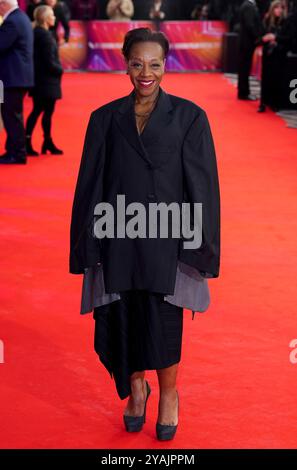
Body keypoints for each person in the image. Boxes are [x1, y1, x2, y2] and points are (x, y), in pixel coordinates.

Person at [69, 27, 220, 441]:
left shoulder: (190, 118)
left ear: (166, 65)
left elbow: (202, 187)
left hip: (166, 239)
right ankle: (136, 389)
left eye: (154, 64)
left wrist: (200, 246)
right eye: (137, 63)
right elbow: (90, 185)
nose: (145, 72)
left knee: (164, 321)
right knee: (121, 318)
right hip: (117, 235)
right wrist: (86, 245)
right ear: (126, 63)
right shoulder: (103, 119)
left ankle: (169, 394)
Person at [25, 5, 63, 155]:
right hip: (47, 81)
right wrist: (60, 70)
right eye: (52, 15)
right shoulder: (46, 36)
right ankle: (36, 142)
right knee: (42, 111)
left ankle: (45, 141)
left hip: (41, 80)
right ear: (46, 19)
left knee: (41, 111)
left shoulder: (37, 33)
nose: (54, 17)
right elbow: (49, 61)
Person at [0, 0, 34, 165]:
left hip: (11, 78)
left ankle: (17, 154)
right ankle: (13, 150)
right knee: (12, 115)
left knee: (11, 116)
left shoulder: (12, 21)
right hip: (16, 77)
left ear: (2, 4)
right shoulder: (21, 17)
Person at [258, 0, 287, 112]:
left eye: (281, 8)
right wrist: (265, 39)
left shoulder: (285, 22)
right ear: (272, 9)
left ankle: (275, 103)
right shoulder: (266, 21)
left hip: (279, 55)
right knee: (265, 78)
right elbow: (260, 37)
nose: (279, 10)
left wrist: (275, 38)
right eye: (276, 7)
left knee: (276, 79)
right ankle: (263, 103)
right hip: (268, 54)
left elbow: (288, 38)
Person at [237, 0, 268, 100]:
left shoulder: (249, 5)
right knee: (244, 68)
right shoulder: (248, 6)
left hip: (246, 42)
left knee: (244, 68)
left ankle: (244, 91)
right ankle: (243, 92)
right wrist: (259, 37)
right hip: (247, 43)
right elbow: (250, 25)